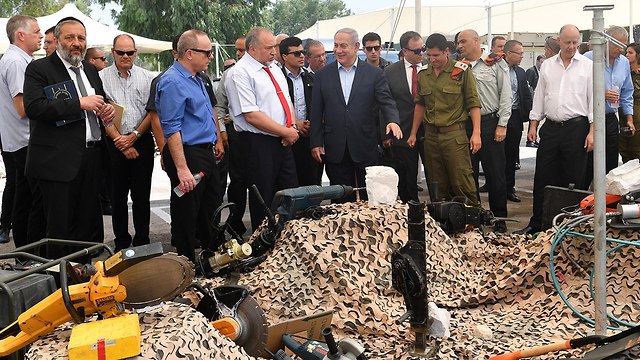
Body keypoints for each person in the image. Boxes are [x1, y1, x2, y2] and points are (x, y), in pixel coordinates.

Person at [23, 17, 115, 258]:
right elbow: (34, 107)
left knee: (89, 222)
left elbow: (99, 100)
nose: (76, 43)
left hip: (93, 156)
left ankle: (85, 275)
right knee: (60, 227)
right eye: (69, 37)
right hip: (58, 161)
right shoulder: (40, 69)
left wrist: (107, 109)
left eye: (81, 38)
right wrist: (79, 104)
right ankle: (59, 279)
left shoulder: (91, 70)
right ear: (57, 40)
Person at [515, 24, 593, 236]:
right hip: (550, 127)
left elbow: (592, 100)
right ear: (559, 40)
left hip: (577, 128)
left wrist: (592, 131)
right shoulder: (548, 65)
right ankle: (538, 223)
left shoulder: (587, 66)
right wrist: (533, 124)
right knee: (543, 176)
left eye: (575, 42)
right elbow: (540, 96)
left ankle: (570, 226)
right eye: (567, 42)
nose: (571, 46)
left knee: (573, 179)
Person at [310, 28, 402, 202]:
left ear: (356, 46)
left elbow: (386, 101)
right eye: (336, 45)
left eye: (343, 46)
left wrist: (393, 120)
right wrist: (316, 142)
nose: (338, 50)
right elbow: (316, 111)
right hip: (335, 146)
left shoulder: (374, 74)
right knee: (340, 196)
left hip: (365, 144)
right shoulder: (323, 75)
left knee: (370, 195)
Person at [156, 29, 224, 262]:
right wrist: (182, 168)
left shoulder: (198, 78)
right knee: (187, 212)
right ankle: (186, 264)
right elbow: (172, 128)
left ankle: (208, 258)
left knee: (209, 207)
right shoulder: (173, 81)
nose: (210, 56)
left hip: (204, 152)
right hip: (187, 154)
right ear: (188, 53)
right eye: (206, 52)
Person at [226, 27, 299, 230]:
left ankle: (288, 241)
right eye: (268, 48)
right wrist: (286, 131)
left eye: (273, 47)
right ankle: (264, 245)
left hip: (284, 140)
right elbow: (251, 115)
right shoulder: (239, 73)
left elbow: (286, 100)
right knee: (264, 198)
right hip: (258, 144)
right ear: (252, 48)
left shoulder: (274, 67)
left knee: (290, 194)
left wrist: (291, 127)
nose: (274, 52)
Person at [407, 33, 481, 207]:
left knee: (462, 181)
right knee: (436, 184)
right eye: (429, 55)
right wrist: (413, 133)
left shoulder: (461, 71)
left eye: (436, 55)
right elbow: (420, 105)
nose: (432, 59)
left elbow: (473, 103)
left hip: (454, 135)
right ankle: (443, 222)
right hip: (431, 138)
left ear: (446, 51)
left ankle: (472, 221)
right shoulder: (424, 74)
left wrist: (476, 133)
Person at [99, 34, 155, 252]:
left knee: (142, 195)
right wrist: (120, 141)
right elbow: (100, 114)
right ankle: (121, 241)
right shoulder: (100, 78)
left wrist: (134, 137)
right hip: (113, 143)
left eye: (129, 52)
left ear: (136, 53)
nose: (125, 56)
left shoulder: (148, 77)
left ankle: (143, 240)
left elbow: (152, 112)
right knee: (117, 196)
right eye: (120, 52)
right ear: (112, 52)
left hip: (141, 141)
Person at [457, 29, 511, 232]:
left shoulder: (494, 63)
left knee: (495, 174)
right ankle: (475, 218)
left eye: (463, 41)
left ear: (476, 41)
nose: (460, 46)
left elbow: (505, 94)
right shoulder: (458, 67)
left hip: (490, 124)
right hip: (465, 125)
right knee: (469, 176)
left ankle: (499, 219)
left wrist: (502, 124)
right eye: (458, 43)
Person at [0, 15, 46, 250]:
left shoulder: (19, 59)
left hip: (21, 140)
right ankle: (28, 254)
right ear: (21, 35)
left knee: (25, 197)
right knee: (31, 201)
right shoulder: (17, 62)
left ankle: (26, 253)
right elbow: (24, 108)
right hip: (25, 140)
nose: (41, 36)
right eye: (37, 31)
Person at [583, 26, 635, 188]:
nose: (621, 49)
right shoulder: (588, 59)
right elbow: (579, 89)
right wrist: (600, 93)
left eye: (624, 45)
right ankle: (581, 198)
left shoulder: (624, 63)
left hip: (610, 118)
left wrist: (629, 118)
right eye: (617, 44)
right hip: (588, 119)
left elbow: (627, 92)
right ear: (606, 41)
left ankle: (607, 201)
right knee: (587, 162)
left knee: (610, 160)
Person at [383, 31, 425, 203]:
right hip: (403, 130)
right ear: (405, 51)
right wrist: (386, 134)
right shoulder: (390, 72)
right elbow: (384, 104)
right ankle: (410, 209)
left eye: (423, 49)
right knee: (407, 175)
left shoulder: (432, 67)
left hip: (431, 129)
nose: (421, 53)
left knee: (436, 172)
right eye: (416, 51)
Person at [214, 35, 248, 236]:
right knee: (237, 182)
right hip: (236, 135)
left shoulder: (266, 72)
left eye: (242, 50)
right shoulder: (230, 74)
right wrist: (223, 132)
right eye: (237, 50)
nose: (238, 54)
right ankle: (235, 223)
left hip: (261, 138)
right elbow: (219, 106)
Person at [280, 36, 320, 186]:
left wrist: (310, 125)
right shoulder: (277, 79)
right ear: (284, 56)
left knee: (311, 182)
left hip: (309, 137)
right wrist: (294, 124)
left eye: (302, 52)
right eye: (296, 53)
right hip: (285, 138)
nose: (302, 56)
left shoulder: (312, 78)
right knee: (289, 183)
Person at [503, 40, 533, 203]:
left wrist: (527, 118)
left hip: (515, 117)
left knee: (511, 155)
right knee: (497, 156)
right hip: (498, 117)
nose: (522, 56)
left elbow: (526, 95)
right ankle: (498, 188)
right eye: (519, 53)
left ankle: (509, 188)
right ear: (508, 54)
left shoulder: (521, 72)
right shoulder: (497, 69)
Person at [620, 42, 640, 163]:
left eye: (630, 53)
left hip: (637, 115)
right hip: (623, 113)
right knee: (624, 150)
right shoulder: (622, 70)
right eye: (626, 52)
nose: (627, 55)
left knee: (636, 150)